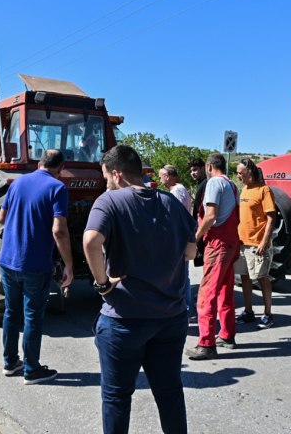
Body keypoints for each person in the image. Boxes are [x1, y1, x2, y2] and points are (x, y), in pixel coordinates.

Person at [84, 144, 196, 434]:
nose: (106, 182)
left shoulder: (109, 202)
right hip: (170, 317)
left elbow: (91, 241)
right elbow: (191, 252)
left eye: (106, 176)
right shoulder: (172, 202)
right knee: (170, 394)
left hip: (124, 319)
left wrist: (102, 283)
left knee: (117, 398)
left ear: (117, 174)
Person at [0, 149, 74, 385]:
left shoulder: (17, 183)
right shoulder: (57, 188)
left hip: (8, 260)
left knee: (11, 311)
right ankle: (31, 369)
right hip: (35, 263)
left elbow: (1, 218)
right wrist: (69, 265)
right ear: (60, 169)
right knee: (32, 316)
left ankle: (10, 363)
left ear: (39, 163)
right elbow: (59, 230)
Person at [185, 153, 240, 360]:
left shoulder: (214, 183)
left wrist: (195, 239)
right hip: (231, 241)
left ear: (208, 166)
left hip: (218, 243)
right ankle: (226, 334)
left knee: (206, 294)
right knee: (225, 290)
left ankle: (206, 343)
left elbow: (210, 216)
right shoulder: (231, 185)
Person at [235, 158, 277, 329]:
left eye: (240, 173)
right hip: (242, 243)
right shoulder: (244, 190)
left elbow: (271, 217)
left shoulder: (264, 190)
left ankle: (268, 314)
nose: (238, 176)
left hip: (257, 244)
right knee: (244, 277)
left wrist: (264, 241)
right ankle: (248, 311)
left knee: (262, 278)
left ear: (249, 172)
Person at [159, 164, 194, 313]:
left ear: (168, 176)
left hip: (178, 239)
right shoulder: (178, 190)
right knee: (182, 275)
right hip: (180, 238)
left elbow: (175, 216)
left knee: (179, 276)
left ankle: (184, 308)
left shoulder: (177, 192)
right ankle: (185, 307)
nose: (160, 179)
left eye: (161, 176)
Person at [188, 158, 208, 267]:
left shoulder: (206, 183)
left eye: (195, 170)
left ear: (203, 168)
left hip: (204, 230)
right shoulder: (201, 183)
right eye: (191, 171)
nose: (192, 173)